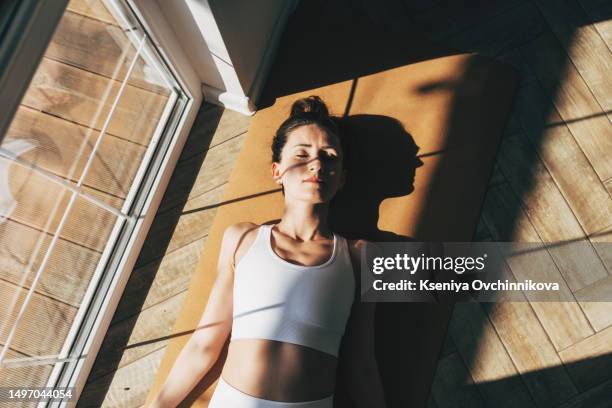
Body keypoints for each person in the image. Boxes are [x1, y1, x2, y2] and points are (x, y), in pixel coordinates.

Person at [149, 96, 386, 408]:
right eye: (302, 155)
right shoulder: (243, 238)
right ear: (277, 171)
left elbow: (361, 367)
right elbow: (204, 343)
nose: (316, 164)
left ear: (341, 179)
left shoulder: (362, 256)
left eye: (329, 157)